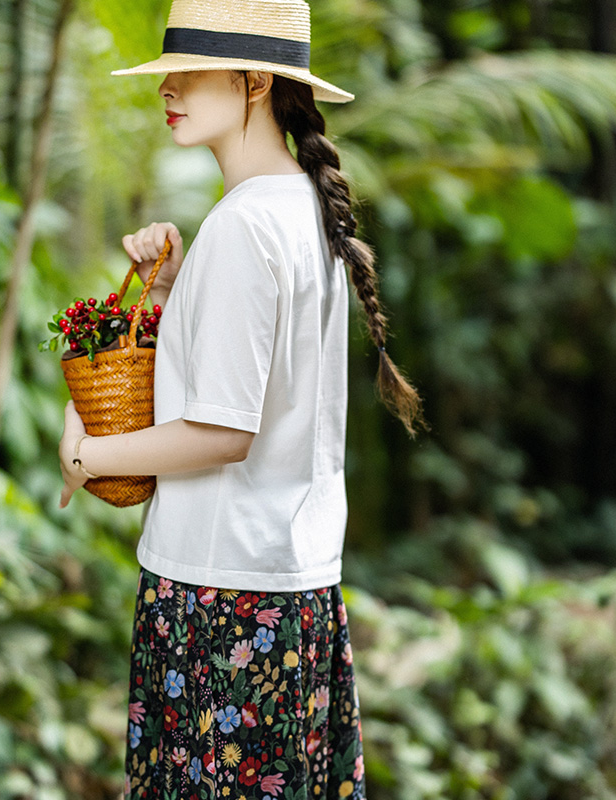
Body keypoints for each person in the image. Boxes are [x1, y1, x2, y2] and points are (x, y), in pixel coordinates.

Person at [58, 1, 427, 797]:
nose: (169, 90)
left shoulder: (244, 224)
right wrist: (176, 287)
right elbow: (260, 377)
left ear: (254, 80)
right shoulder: (300, 211)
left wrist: (89, 456)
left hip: (220, 602)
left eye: (188, 73)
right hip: (286, 596)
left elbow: (224, 431)